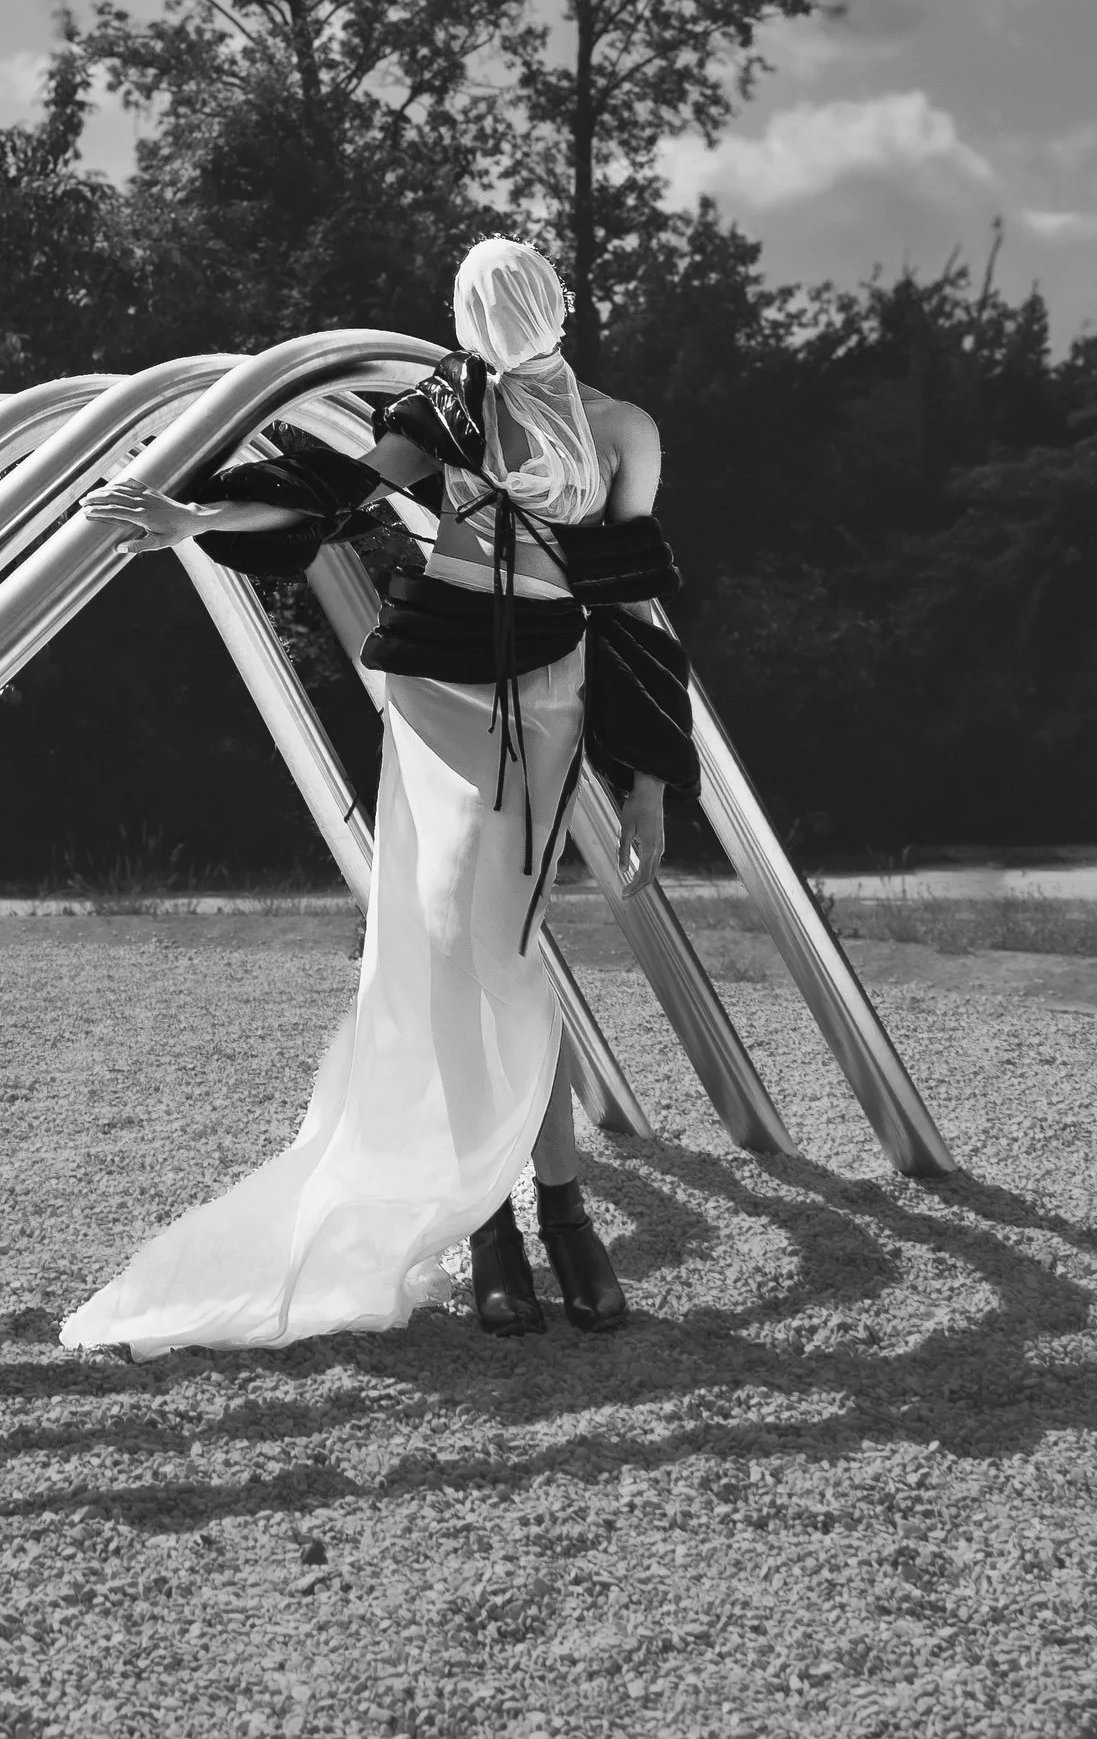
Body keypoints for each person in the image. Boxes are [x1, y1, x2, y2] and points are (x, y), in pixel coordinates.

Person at [64, 238, 696, 1353]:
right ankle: (500, 1219)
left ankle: (552, 1210)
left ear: (546, 305)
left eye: (512, 301)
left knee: (496, 951)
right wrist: (198, 521)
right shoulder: (446, 406)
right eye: (481, 307)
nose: (496, 319)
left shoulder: (619, 430)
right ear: (461, 318)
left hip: (547, 696)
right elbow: (335, 487)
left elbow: (636, 603)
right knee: (447, 942)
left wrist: (644, 786)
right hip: (439, 692)